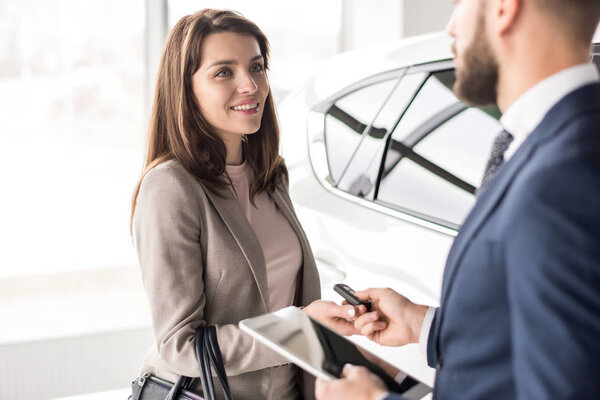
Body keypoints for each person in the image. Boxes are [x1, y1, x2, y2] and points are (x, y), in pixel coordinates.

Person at [315, 0, 600, 399]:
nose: (450, 28)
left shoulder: (565, 176)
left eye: (460, 4)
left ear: (504, 8)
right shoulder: (551, 144)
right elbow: (526, 337)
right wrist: (421, 324)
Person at [130, 9, 358, 400]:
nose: (250, 85)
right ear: (185, 89)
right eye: (224, 72)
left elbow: (285, 303)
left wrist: (360, 360)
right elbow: (179, 346)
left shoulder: (270, 176)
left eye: (256, 67)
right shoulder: (171, 188)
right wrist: (298, 328)